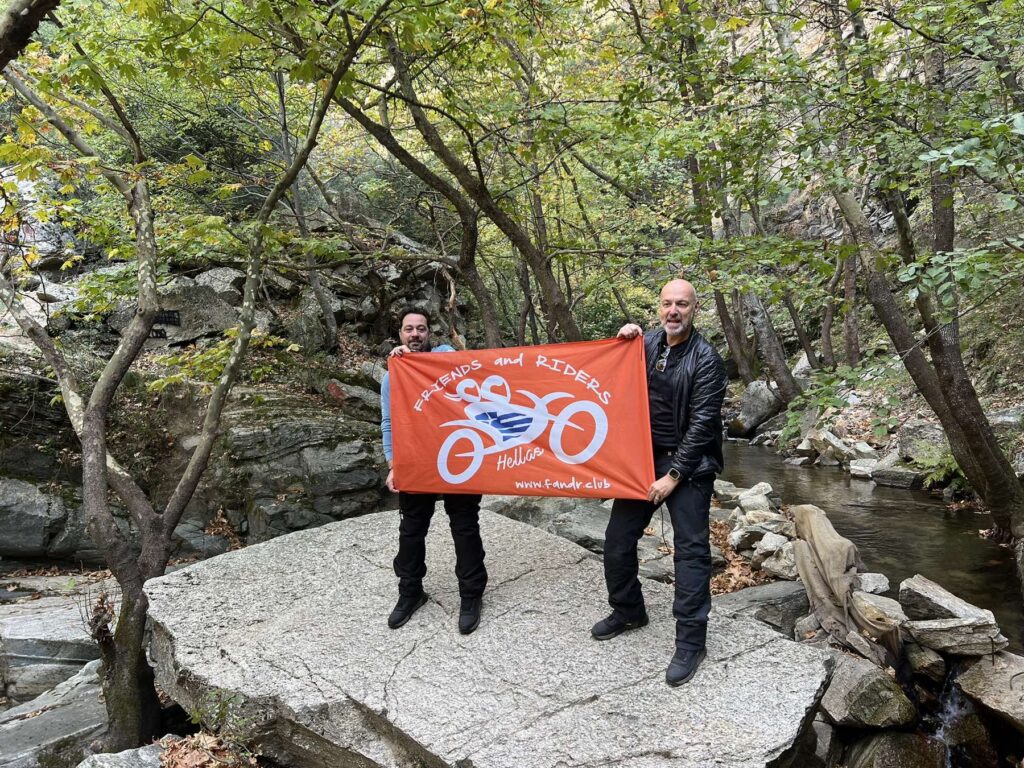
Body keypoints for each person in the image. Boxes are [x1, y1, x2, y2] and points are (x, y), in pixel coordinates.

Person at [591, 279, 727, 686]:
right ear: (658, 307)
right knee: (617, 541)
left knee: (691, 554)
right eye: (667, 303)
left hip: (690, 465)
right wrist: (622, 340)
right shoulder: (646, 343)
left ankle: (691, 642)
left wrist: (673, 475)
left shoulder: (707, 360)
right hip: (641, 461)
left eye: (681, 304)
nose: (673, 311)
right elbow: (611, 377)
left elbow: (702, 425)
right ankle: (629, 610)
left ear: (694, 309)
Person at [380, 309, 487, 635]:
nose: (415, 334)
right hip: (417, 460)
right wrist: (393, 465)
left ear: (429, 333)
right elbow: (388, 423)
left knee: (464, 526)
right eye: (408, 329)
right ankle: (410, 592)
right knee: (411, 529)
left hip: (458, 456)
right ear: (400, 334)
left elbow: (451, 357)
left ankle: (471, 594)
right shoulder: (392, 376)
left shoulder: (445, 359)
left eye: (421, 329)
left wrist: (415, 360)